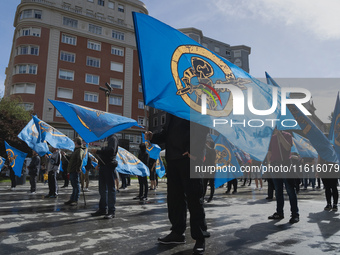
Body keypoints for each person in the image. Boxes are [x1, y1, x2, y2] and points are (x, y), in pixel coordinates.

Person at [146, 113, 210, 255]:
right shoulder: (171, 109)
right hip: (173, 159)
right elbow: (167, 133)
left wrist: (194, 151)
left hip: (190, 159)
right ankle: (177, 233)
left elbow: (203, 126)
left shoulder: (194, 101)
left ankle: (200, 238)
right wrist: (153, 137)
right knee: (175, 199)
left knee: (194, 199)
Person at [267, 129, 299, 224]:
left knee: (290, 190)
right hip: (274, 165)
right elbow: (269, 152)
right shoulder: (271, 138)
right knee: (278, 190)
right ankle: (279, 212)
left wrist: (280, 135)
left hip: (285, 164)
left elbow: (287, 147)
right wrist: (269, 164)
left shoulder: (287, 135)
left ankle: (295, 214)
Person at [91, 134, 119, 219]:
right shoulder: (105, 139)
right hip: (103, 166)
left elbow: (111, 151)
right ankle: (102, 209)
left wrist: (97, 151)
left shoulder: (113, 138)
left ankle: (111, 211)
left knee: (110, 189)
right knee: (102, 189)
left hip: (109, 166)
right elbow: (103, 153)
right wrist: (99, 163)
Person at [64, 137, 85, 206]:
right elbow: (72, 159)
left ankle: (75, 199)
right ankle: (72, 199)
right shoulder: (76, 150)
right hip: (72, 170)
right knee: (74, 186)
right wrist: (66, 155)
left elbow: (80, 159)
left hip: (75, 171)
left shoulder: (79, 150)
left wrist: (78, 168)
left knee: (76, 186)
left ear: (76, 142)